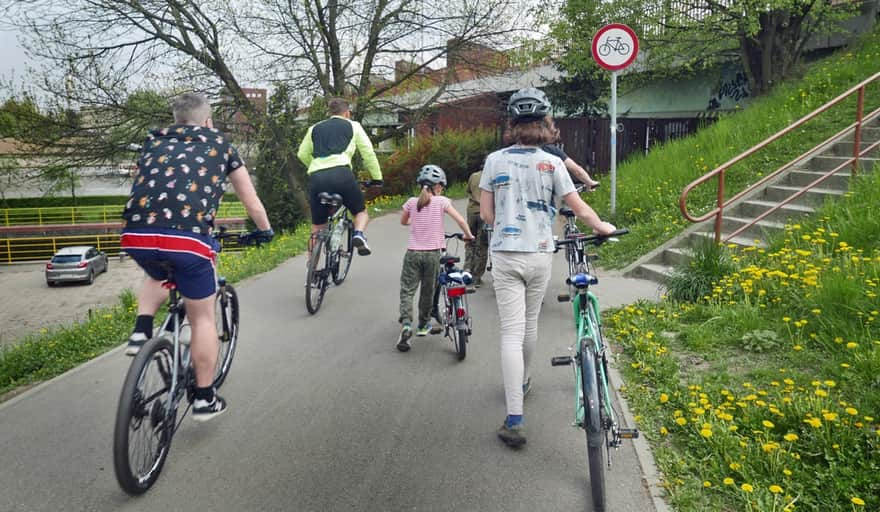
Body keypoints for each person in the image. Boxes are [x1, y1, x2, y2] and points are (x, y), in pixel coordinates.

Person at [121, 92, 274, 421]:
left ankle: (141, 330)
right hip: (189, 241)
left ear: (176, 118)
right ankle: (204, 397)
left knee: (157, 273)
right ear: (208, 120)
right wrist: (264, 230)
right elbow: (251, 200)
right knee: (203, 317)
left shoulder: (153, 140)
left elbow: (150, 184)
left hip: (136, 235)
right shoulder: (220, 144)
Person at [480, 87, 616, 448]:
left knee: (510, 332)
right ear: (545, 125)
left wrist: (505, 224)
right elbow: (580, 209)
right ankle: (525, 377)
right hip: (540, 255)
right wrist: (603, 227)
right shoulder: (553, 163)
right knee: (529, 325)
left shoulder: (493, 162)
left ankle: (514, 417)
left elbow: (486, 215)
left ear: (512, 125)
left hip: (506, 255)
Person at [396, 165, 474, 352]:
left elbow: (403, 221)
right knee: (427, 291)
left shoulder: (411, 202)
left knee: (407, 290)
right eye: (442, 186)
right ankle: (423, 325)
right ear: (437, 186)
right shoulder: (441, 202)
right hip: (433, 254)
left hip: (413, 253)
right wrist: (469, 236)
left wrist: (415, 221)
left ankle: (406, 324)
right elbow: (461, 221)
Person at [297, 97, 383, 256]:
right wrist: (377, 179)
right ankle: (358, 234)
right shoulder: (354, 126)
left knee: (317, 227)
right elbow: (368, 154)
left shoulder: (314, 128)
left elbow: (302, 154)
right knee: (360, 212)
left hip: (317, 176)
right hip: (341, 174)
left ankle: (312, 271)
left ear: (330, 112)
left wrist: (316, 167)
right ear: (347, 113)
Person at [464, 169, 489, 287]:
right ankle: (477, 277)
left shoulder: (473, 175)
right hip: (485, 213)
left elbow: (468, 190)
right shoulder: (491, 177)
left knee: (470, 241)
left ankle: (467, 269)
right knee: (482, 245)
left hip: (472, 211)